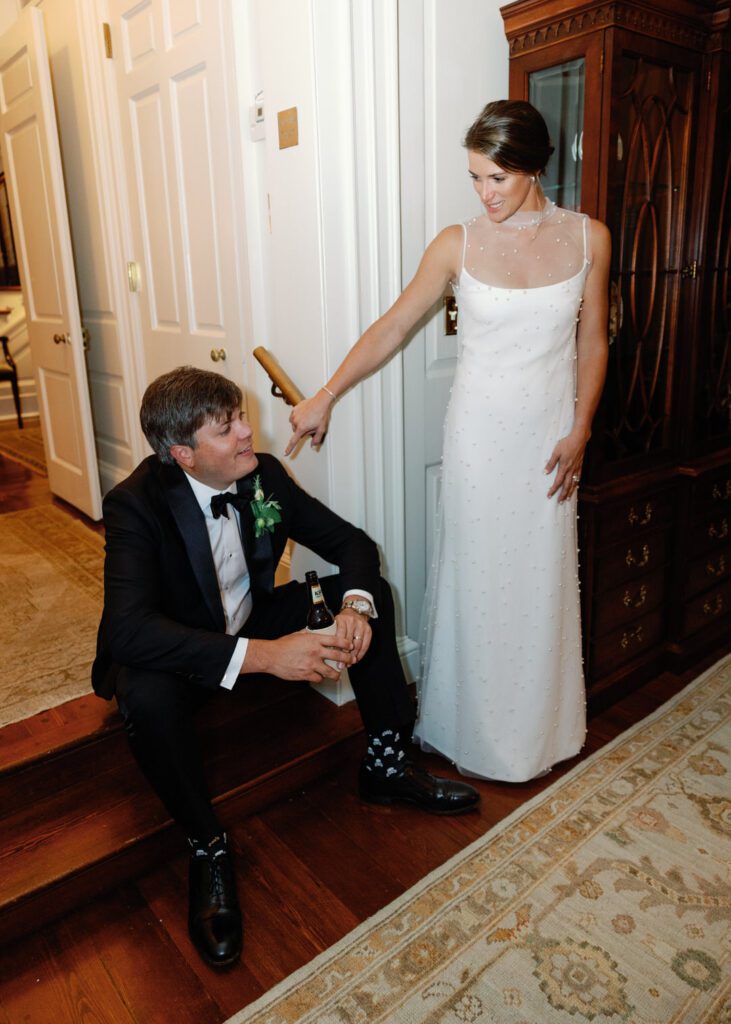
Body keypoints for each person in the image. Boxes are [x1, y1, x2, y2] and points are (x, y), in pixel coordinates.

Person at [92, 366, 479, 969]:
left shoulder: (264, 475)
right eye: (228, 428)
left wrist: (353, 608)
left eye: (242, 416)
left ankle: (386, 762)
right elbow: (129, 630)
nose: (250, 432)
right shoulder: (134, 506)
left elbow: (353, 543)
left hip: (252, 615)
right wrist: (269, 658)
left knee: (369, 588)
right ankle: (207, 846)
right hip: (181, 647)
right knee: (143, 693)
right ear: (183, 455)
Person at [287, 100, 611, 784]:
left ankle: (537, 731)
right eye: (474, 178)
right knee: (477, 580)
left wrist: (580, 429)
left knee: (537, 581)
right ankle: (469, 729)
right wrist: (325, 393)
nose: (483, 193)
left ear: (533, 167)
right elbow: (392, 327)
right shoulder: (455, 242)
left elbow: (592, 339)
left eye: (496, 178)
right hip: (478, 440)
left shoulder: (589, 238)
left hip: (548, 440)